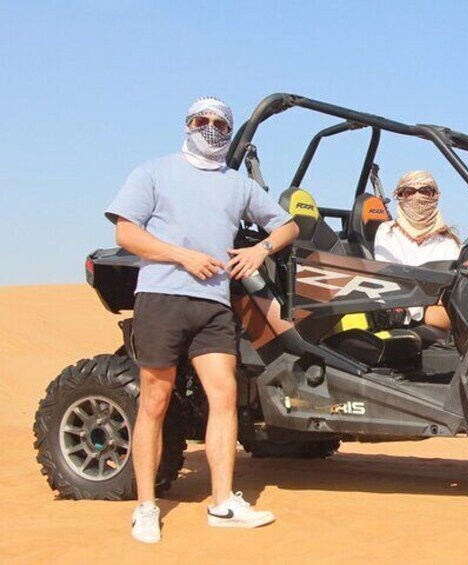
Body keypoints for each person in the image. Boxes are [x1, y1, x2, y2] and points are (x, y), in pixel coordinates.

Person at [105, 96, 299, 544]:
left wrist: (260, 249)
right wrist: (181, 255)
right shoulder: (153, 171)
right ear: (187, 123)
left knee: (225, 395)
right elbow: (126, 232)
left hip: (214, 303)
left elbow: (287, 226)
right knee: (155, 399)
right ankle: (146, 506)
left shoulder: (237, 185)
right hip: (162, 296)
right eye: (202, 120)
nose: (210, 128)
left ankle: (222, 503)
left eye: (219, 123)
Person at [374, 170, 460, 330]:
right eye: (409, 192)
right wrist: (425, 306)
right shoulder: (387, 232)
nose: (417, 197)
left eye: (425, 191)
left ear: (436, 195)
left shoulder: (449, 241)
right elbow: (390, 282)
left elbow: (454, 289)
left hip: (441, 315)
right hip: (400, 316)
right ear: (399, 196)